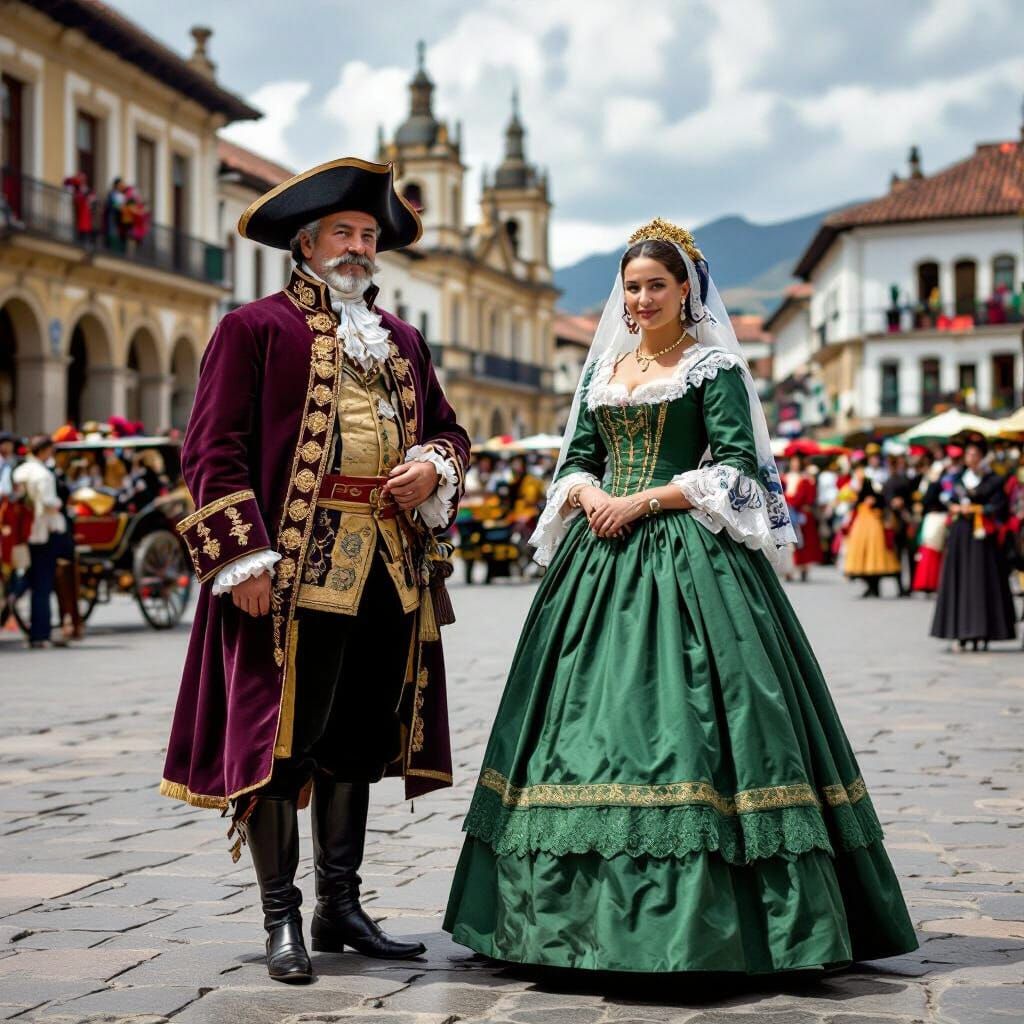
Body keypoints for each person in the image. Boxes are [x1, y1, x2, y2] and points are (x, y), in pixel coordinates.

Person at [444, 219, 917, 974]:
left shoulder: (713, 368)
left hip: (686, 553)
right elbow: (577, 458)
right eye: (631, 287)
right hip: (598, 559)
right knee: (575, 725)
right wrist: (591, 493)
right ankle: (559, 922)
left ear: (685, 288)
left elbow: (735, 467)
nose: (641, 299)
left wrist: (647, 500)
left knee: (701, 720)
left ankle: (715, 924)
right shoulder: (603, 370)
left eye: (655, 286)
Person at [160, 157, 470, 984]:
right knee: (284, 744)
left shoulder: (403, 340)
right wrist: (242, 557)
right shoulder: (253, 328)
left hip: (390, 571)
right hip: (293, 572)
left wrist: (434, 466)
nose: (360, 247)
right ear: (305, 243)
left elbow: (450, 430)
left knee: (357, 741)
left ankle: (340, 905)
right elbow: (211, 450)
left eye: (370, 236)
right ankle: (281, 916)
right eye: (345, 233)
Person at [930, 437, 1016, 650]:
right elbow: (943, 497)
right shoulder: (957, 478)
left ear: (982, 457)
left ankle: (984, 631)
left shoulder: (994, 480)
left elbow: (1000, 507)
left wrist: (979, 509)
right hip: (961, 535)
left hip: (982, 537)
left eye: (975, 455)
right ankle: (960, 631)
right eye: (968, 454)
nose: (971, 458)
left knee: (982, 581)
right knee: (960, 581)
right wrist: (954, 507)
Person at [11, 435, 66, 647]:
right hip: (43, 532)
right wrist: (60, 503)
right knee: (42, 585)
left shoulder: (20, 471)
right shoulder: (43, 475)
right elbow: (48, 502)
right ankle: (40, 633)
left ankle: (12, 597)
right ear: (43, 451)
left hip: (24, 531)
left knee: (29, 577)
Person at [843, 467, 901, 597]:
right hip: (862, 528)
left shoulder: (873, 496)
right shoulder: (859, 495)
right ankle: (871, 587)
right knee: (863, 559)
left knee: (873, 557)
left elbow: (881, 505)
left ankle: (874, 587)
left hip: (872, 529)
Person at [783, 454, 822, 581]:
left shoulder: (805, 479)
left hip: (798, 514)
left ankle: (803, 568)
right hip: (787, 512)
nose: (795, 465)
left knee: (802, 543)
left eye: (797, 462)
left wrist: (790, 500)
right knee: (788, 543)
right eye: (793, 462)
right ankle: (788, 569)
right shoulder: (784, 478)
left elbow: (807, 497)